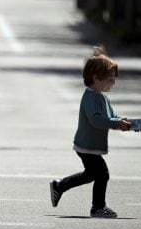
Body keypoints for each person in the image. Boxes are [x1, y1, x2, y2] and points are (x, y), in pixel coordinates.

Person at [49, 46, 134, 218]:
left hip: (90, 145)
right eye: (110, 80)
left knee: (90, 175)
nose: (113, 84)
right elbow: (96, 120)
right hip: (86, 145)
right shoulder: (90, 97)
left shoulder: (101, 96)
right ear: (96, 78)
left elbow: (111, 116)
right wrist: (117, 124)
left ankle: (59, 186)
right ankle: (97, 207)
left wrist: (123, 122)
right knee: (102, 174)